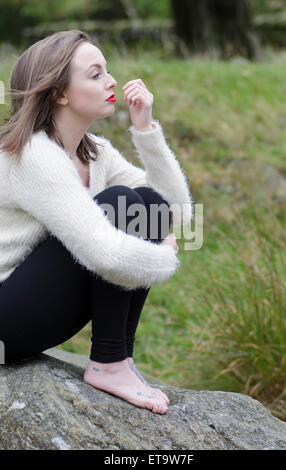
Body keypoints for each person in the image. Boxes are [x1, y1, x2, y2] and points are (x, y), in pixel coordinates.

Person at [0, 30, 193, 414]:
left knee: (146, 203)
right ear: (59, 93)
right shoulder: (31, 154)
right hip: (6, 316)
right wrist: (165, 258)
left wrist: (145, 131)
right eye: (95, 73)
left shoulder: (96, 152)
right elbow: (104, 254)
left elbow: (175, 210)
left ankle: (115, 359)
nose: (112, 81)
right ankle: (109, 362)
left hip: (38, 310)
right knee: (120, 202)